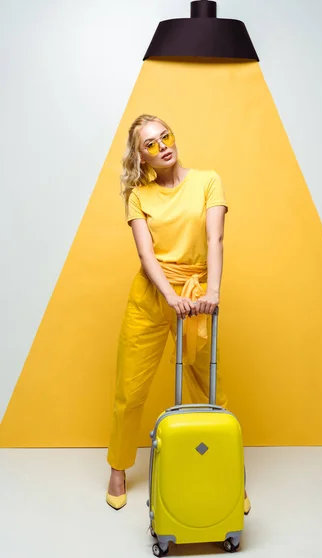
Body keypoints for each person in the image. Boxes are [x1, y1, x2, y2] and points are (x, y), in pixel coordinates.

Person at [106, 114, 250, 515]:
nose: (163, 146)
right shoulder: (138, 195)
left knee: (210, 392)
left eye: (165, 136)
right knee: (129, 389)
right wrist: (168, 296)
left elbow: (215, 237)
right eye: (150, 144)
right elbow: (145, 253)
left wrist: (213, 291)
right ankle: (118, 468)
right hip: (153, 295)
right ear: (141, 156)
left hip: (198, 293)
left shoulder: (208, 181)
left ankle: (232, 475)